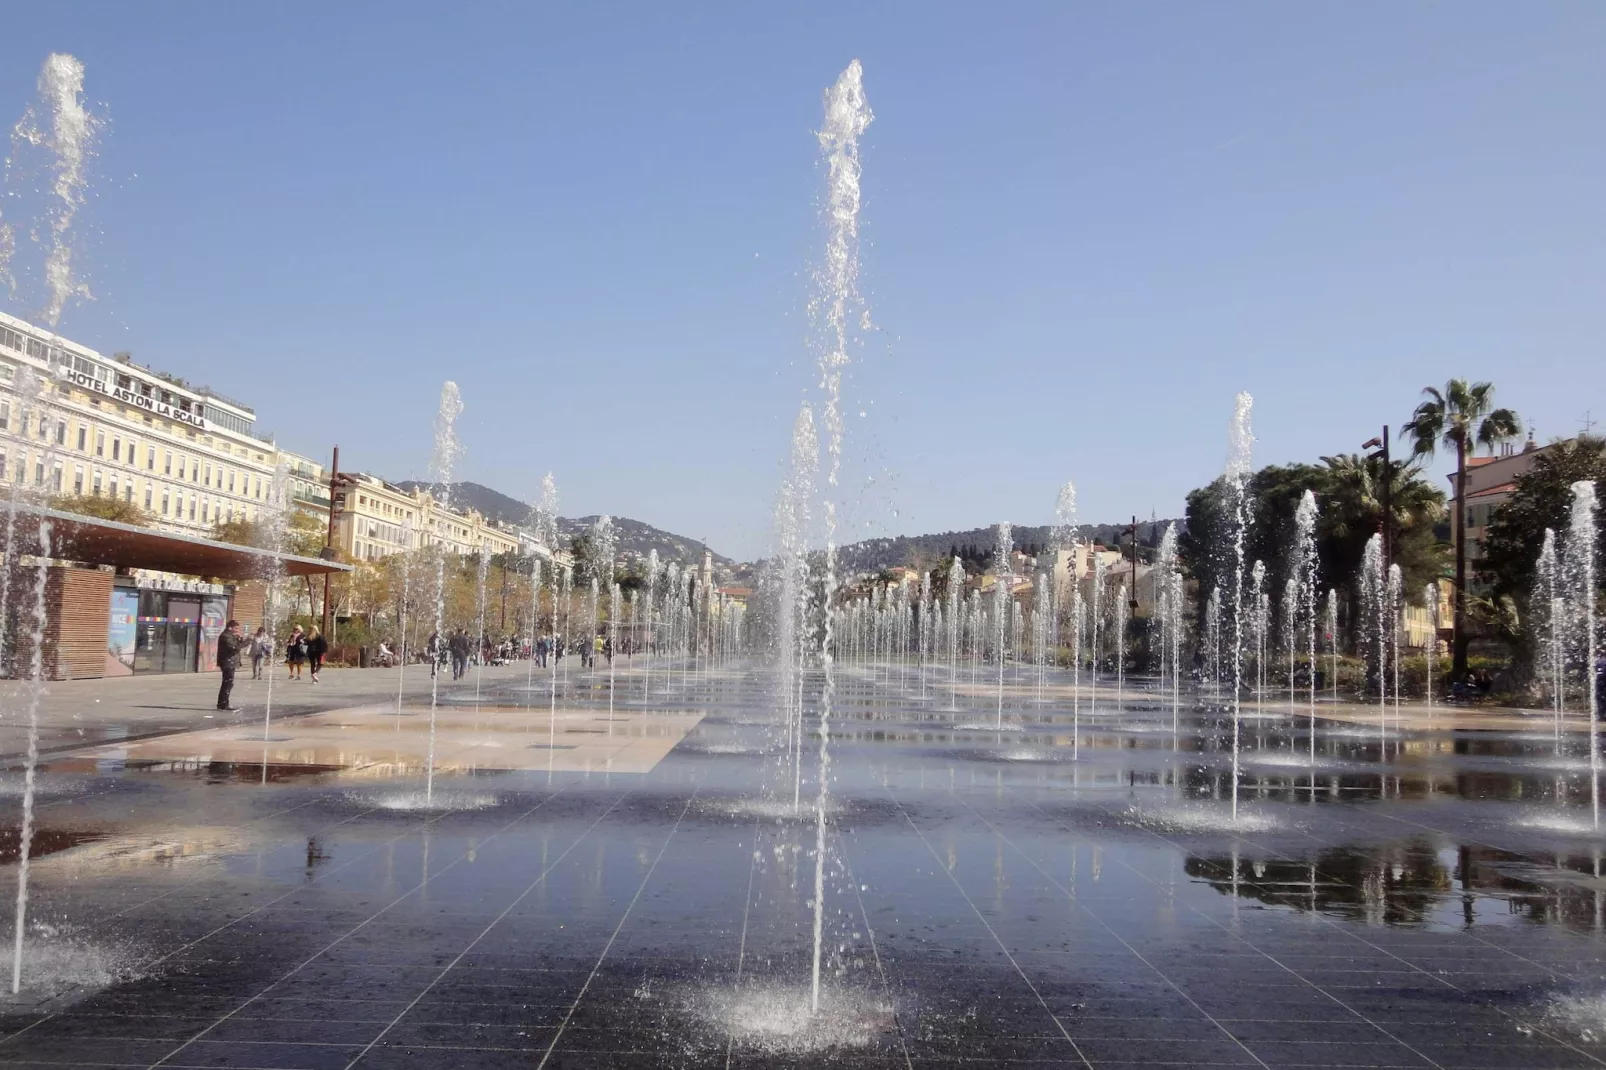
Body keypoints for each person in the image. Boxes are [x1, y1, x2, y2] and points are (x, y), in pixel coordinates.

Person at [216, 619, 244, 711]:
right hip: (227, 663)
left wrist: (239, 638)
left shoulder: (230, 636)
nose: (237, 630)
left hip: (230, 663)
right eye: (236, 628)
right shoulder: (226, 636)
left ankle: (223, 703)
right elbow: (235, 648)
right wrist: (247, 641)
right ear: (230, 627)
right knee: (227, 684)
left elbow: (237, 646)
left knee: (228, 684)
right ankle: (223, 704)